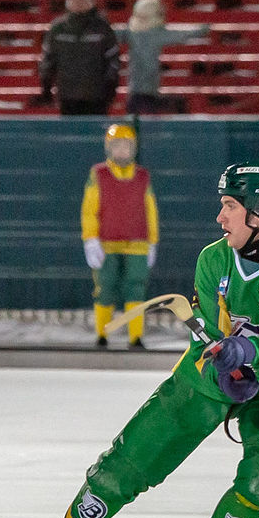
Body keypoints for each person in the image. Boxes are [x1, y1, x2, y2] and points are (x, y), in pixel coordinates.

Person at [11, 162, 259, 518]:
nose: (220, 217)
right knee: (126, 463)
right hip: (211, 374)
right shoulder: (213, 259)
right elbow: (208, 337)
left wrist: (248, 354)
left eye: (229, 206)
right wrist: (224, 365)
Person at [82, 123, 160, 350]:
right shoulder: (98, 174)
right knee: (105, 287)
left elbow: (151, 210)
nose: (122, 150)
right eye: (117, 146)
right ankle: (102, 334)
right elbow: (89, 209)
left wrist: (153, 241)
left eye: (126, 146)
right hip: (106, 243)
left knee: (136, 289)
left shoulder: (143, 176)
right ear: (108, 148)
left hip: (138, 244)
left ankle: (135, 337)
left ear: (133, 148)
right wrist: (90, 239)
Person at [119, 0, 211, 115]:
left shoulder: (132, 33)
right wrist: (203, 29)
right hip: (142, 95)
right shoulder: (152, 34)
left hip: (141, 94)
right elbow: (181, 34)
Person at [38, 0, 120, 116]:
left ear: (90, 3)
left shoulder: (102, 27)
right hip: (67, 94)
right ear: (68, 3)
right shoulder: (58, 28)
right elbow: (48, 59)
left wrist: (110, 87)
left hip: (97, 95)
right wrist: (46, 87)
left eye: (81, 1)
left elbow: (113, 59)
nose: (78, 5)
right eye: (74, 1)